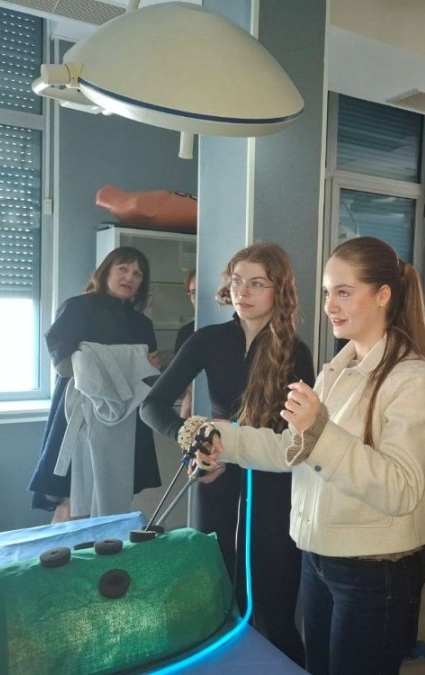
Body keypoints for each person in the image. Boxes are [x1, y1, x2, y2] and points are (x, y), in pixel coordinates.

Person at [189, 236, 425, 675]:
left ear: (383, 295)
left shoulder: (414, 382)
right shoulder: (337, 372)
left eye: (344, 292)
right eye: (328, 292)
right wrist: (225, 441)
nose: (330, 306)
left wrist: (318, 430)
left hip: (373, 571)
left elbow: (401, 489)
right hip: (319, 558)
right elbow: (293, 450)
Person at [140, 243, 313, 665]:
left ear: (279, 290)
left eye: (257, 284)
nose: (243, 292)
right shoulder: (207, 340)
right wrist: (192, 438)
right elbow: (152, 406)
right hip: (215, 480)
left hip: (274, 489)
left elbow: (301, 437)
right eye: (237, 281)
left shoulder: (296, 352)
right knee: (214, 597)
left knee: (273, 606)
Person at [29, 246, 161, 523]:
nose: (130, 277)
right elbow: (64, 365)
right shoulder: (77, 308)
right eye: (123, 269)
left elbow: (148, 373)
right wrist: (123, 362)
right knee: (70, 499)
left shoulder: (141, 323)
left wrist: (144, 366)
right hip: (79, 414)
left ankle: (104, 550)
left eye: (137, 274)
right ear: (105, 273)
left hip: (126, 418)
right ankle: (63, 552)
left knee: (116, 494)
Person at [174, 267, 197, 418]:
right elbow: (178, 377)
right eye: (194, 292)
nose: (198, 298)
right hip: (193, 402)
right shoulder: (186, 332)